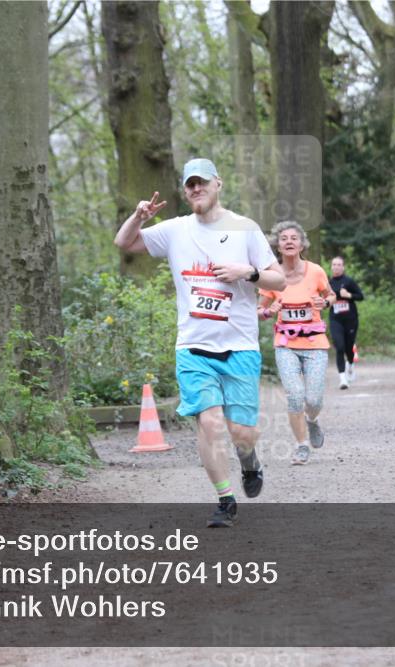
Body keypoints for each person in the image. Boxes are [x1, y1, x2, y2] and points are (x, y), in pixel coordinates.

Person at [114, 158, 285, 528]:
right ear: (185, 190)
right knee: (209, 424)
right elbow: (124, 243)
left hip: (239, 346)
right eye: (189, 184)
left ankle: (249, 461)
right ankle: (225, 500)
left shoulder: (245, 229)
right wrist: (138, 216)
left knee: (241, 432)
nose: (195, 189)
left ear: (217, 184)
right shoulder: (175, 230)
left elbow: (279, 281)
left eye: (201, 182)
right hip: (193, 347)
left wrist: (248, 272)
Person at [259, 222, 336, 466]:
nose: (289, 241)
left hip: (315, 344)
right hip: (286, 345)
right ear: (277, 245)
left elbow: (331, 295)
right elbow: (259, 309)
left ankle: (312, 420)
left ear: (302, 244)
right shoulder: (271, 276)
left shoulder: (315, 272)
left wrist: (325, 304)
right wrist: (268, 311)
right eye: (284, 238)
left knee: (313, 400)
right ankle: (302, 445)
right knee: (294, 396)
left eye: (294, 238)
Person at [328, 256, 364, 389]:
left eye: (339, 264)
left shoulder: (349, 281)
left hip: (350, 320)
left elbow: (360, 296)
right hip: (335, 319)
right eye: (334, 264)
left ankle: (351, 364)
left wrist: (349, 295)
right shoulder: (329, 283)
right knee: (339, 346)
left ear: (343, 267)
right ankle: (343, 379)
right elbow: (325, 299)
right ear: (331, 267)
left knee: (349, 347)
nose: (336, 267)